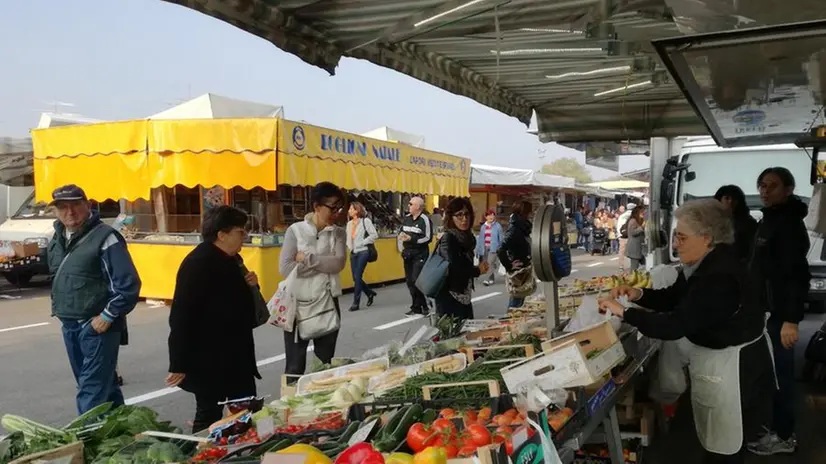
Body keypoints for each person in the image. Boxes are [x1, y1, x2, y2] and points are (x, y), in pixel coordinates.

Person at [599, 199, 774, 464]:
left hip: (736, 368)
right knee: (718, 439)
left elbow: (675, 325)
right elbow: (675, 297)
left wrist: (623, 312)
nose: (675, 244)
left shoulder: (718, 277)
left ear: (707, 238)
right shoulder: (703, 264)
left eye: (681, 237)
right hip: (725, 360)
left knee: (727, 448)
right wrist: (638, 294)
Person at [47, 184, 141, 415]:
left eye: (75, 205)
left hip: (97, 327)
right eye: (62, 207)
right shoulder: (58, 237)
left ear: (88, 205)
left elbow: (127, 284)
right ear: (55, 211)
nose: (70, 212)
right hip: (70, 325)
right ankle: (122, 435)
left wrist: (108, 315)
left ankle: (87, 443)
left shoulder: (106, 237)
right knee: (103, 388)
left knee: (91, 391)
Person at [166, 206, 260, 433]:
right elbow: (181, 316)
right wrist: (178, 362)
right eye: (240, 231)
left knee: (245, 410)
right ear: (222, 234)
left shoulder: (233, 260)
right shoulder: (198, 263)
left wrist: (252, 287)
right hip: (209, 358)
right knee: (208, 415)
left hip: (237, 355)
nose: (244, 236)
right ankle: (204, 455)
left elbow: (245, 309)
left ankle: (241, 451)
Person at [747, 167, 810, 456]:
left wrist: (791, 320)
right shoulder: (772, 218)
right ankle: (777, 428)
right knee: (773, 375)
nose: (764, 190)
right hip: (770, 312)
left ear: (788, 189)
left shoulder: (788, 224)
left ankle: (784, 436)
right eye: (761, 185)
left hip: (781, 316)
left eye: (771, 186)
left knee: (782, 377)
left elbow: (797, 276)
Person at [279, 182, 347, 377]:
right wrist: (323, 265)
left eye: (339, 207)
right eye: (332, 207)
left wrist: (307, 259)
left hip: (327, 301)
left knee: (324, 364)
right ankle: (291, 404)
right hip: (297, 305)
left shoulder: (339, 233)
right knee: (294, 366)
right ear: (317, 207)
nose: (336, 212)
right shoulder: (295, 230)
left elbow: (338, 264)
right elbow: (285, 268)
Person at [435, 198, 487, 320]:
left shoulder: (467, 238)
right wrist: (477, 270)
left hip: (464, 294)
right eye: (459, 215)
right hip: (449, 296)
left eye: (467, 214)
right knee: (452, 336)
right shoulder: (448, 238)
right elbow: (454, 268)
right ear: (451, 217)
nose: (464, 219)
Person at [399, 196, 432, 316]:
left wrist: (412, 239)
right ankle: (417, 306)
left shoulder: (425, 220)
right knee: (409, 281)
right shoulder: (407, 218)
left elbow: (428, 237)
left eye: (411, 204)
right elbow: (401, 231)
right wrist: (401, 238)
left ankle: (423, 305)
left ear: (418, 207)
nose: (409, 206)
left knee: (416, 279)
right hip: (407, 253)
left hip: (420, 253)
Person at [497, 201, 533, 309]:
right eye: (529, 211)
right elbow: (500, 249)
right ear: (524, 213)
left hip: (523, 269)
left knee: (520, 300)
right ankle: (509, 322)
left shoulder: (522, 227)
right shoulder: (515, 229)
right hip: (518, 271)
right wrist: (509, 265)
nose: (531, 214)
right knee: (516, 301)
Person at [345, 201, 378, 312]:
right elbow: (348, 237)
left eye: (351, 209)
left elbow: (374, 235)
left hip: (364, 251)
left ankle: (356, 303)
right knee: (355, 278)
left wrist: (363, 242)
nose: (349, 211)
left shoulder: (365, 221)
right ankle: (369, 293)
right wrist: (350, 247)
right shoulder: (349, 224)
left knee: (358, 276)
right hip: (354, 252)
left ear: (357, 210)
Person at [714, 185, 758, 263]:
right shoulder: (710, 220)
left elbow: (752, 250)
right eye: (727, 198)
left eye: (734, 199)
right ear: (719, 200)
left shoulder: (748, 223)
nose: (730, 201)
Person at [475, 209, 503, 286]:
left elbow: (501, 238)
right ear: (486, 217)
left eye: (493, 215)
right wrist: (478, 250)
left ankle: (487, 280)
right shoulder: (483, 227)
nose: (491, 217)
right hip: (484, 248)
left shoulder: (498, 226)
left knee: (490, 262)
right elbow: (480, 239)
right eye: (489, 215)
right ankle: (491, 278)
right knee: (487, 264)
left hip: (494, 248)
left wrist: (500, 248)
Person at [625, 206, 646, 271]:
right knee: (634, 268)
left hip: (639, 249)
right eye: (642, 212)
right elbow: (633, 232)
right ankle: (632, 279)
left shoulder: (640, 220)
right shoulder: (633, 220)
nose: (643, 213)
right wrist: (642, 227)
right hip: (634, 248)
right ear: (637, 213)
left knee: (644, 265)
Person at [616, 204, 632, 271]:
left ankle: (621, 266)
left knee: (621, 252)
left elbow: (618, 227)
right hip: (629, 236)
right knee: (633, 251)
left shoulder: (621, 216)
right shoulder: (631, 215)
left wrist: (619, 235)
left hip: (622, 236)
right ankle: (633, 265)